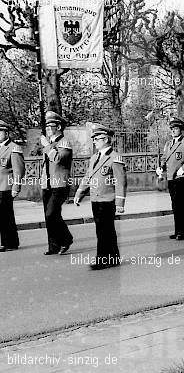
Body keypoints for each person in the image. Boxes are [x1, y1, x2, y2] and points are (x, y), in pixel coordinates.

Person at [74, 124, 127, 270]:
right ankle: (113, 257)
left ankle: (103, 260)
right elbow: (88, 177)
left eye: (97, 139)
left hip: (107, 199)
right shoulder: (94, 158)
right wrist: (79, 192)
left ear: (106, 139)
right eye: (94, 139)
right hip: (95, 199)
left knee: (105, 230)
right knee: (102, 230)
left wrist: (120, 202)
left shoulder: (115, 158)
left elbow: (120, 182)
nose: (94, 141)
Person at [157, 118, 184, 240]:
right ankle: (178, 230)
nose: (173, 131)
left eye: (176, 129)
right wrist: (161, 167)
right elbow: (165, 157)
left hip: (180, 176)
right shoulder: (168, 143)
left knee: (178, 203)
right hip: (170, 176)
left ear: (180, 130)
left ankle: (183, 232)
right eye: (172, 129)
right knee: (175, 204)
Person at [40, 111, 74, 255]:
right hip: (47, 184)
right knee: (50, 216)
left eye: (51, 126)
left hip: (60, 184)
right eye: (46, 126)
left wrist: (47, 146)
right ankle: (53, 246)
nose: (47, 128)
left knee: (51, 214)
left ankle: (66, 239)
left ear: (59, 126)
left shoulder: (64, 142)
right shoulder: (50, 143)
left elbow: (59, 159)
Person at [0, 119, 25, 252]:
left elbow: (18, 170)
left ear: (6, 133)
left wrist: (16, 187)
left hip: (6, 187)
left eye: (0, 132)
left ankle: (9, 242)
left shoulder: (13, 147)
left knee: (6, 216)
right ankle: (8, 241)